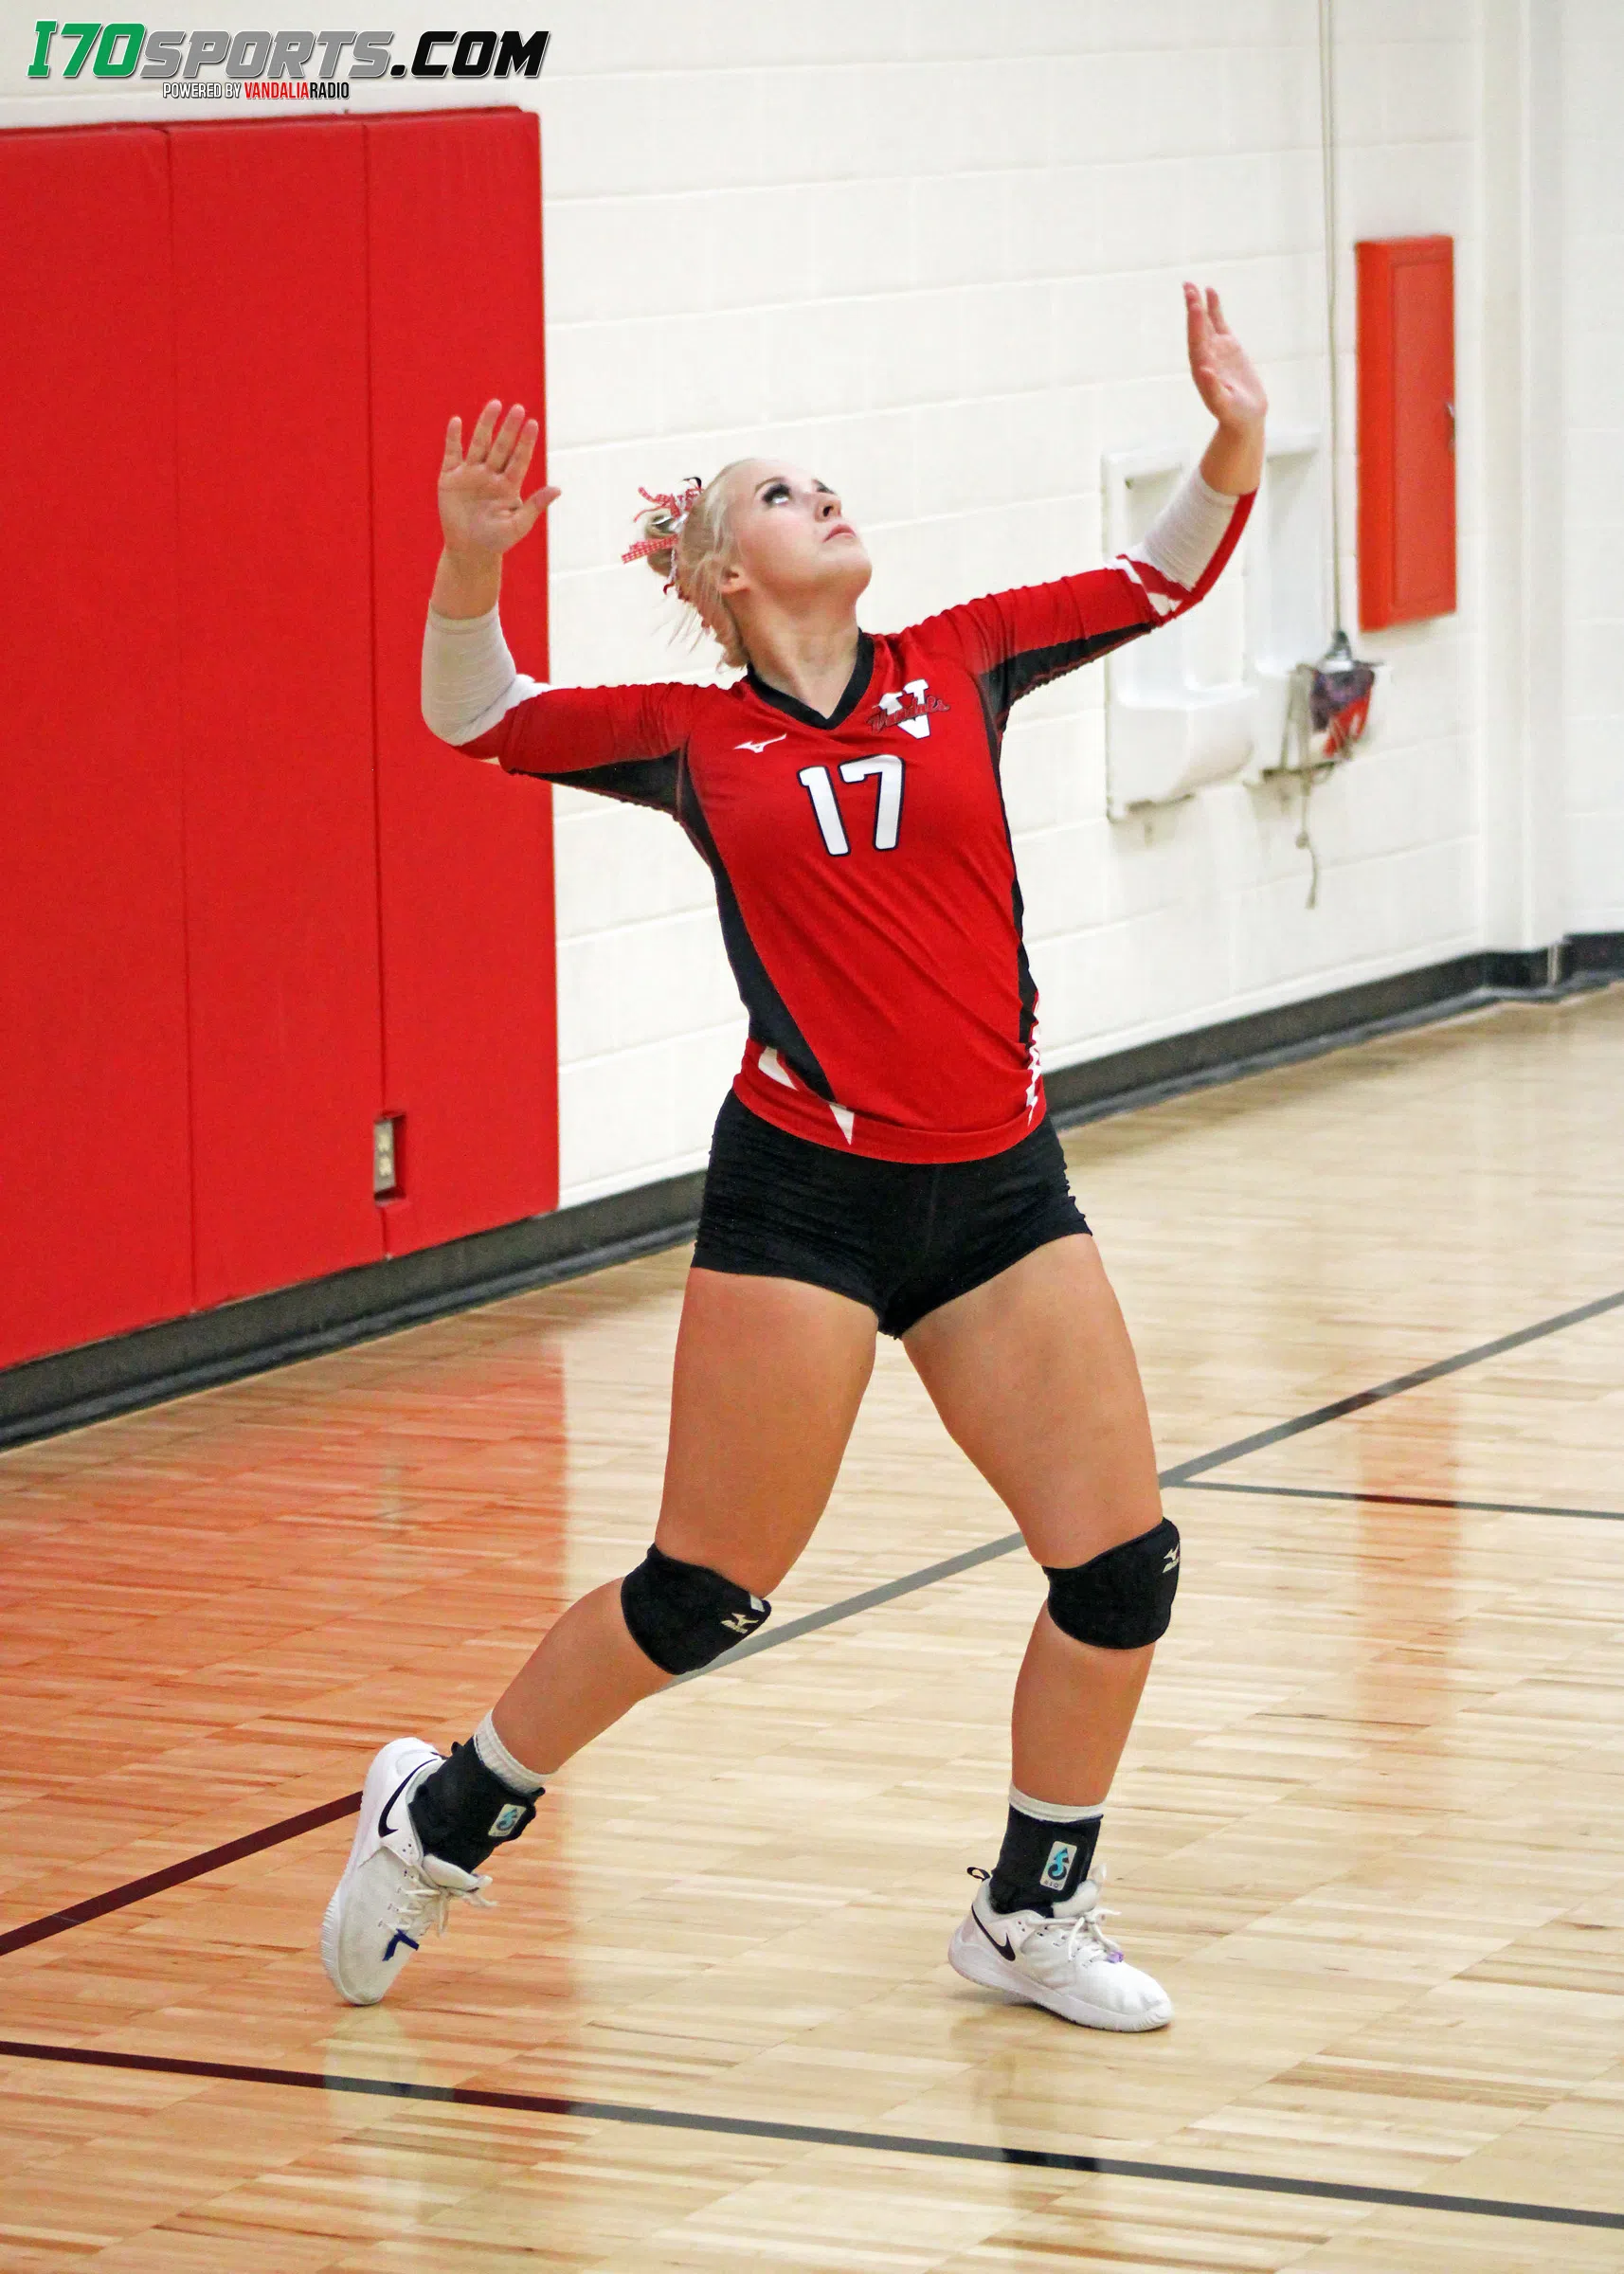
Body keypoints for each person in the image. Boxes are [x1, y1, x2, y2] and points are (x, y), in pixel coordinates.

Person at [322, 281, 1266, 2031]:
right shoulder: (692, 741)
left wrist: (1232, 436)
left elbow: (1157, 578)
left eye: (822, 482)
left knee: (1119, 1566)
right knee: (703, 1597)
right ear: (720, 576)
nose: (821, 497)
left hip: (999, 1185)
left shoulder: (960, 659)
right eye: (778, 494)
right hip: (806, 1198)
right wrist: (469, 562)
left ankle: (1026, 1910)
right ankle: (443, 1816)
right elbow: (474, 716)